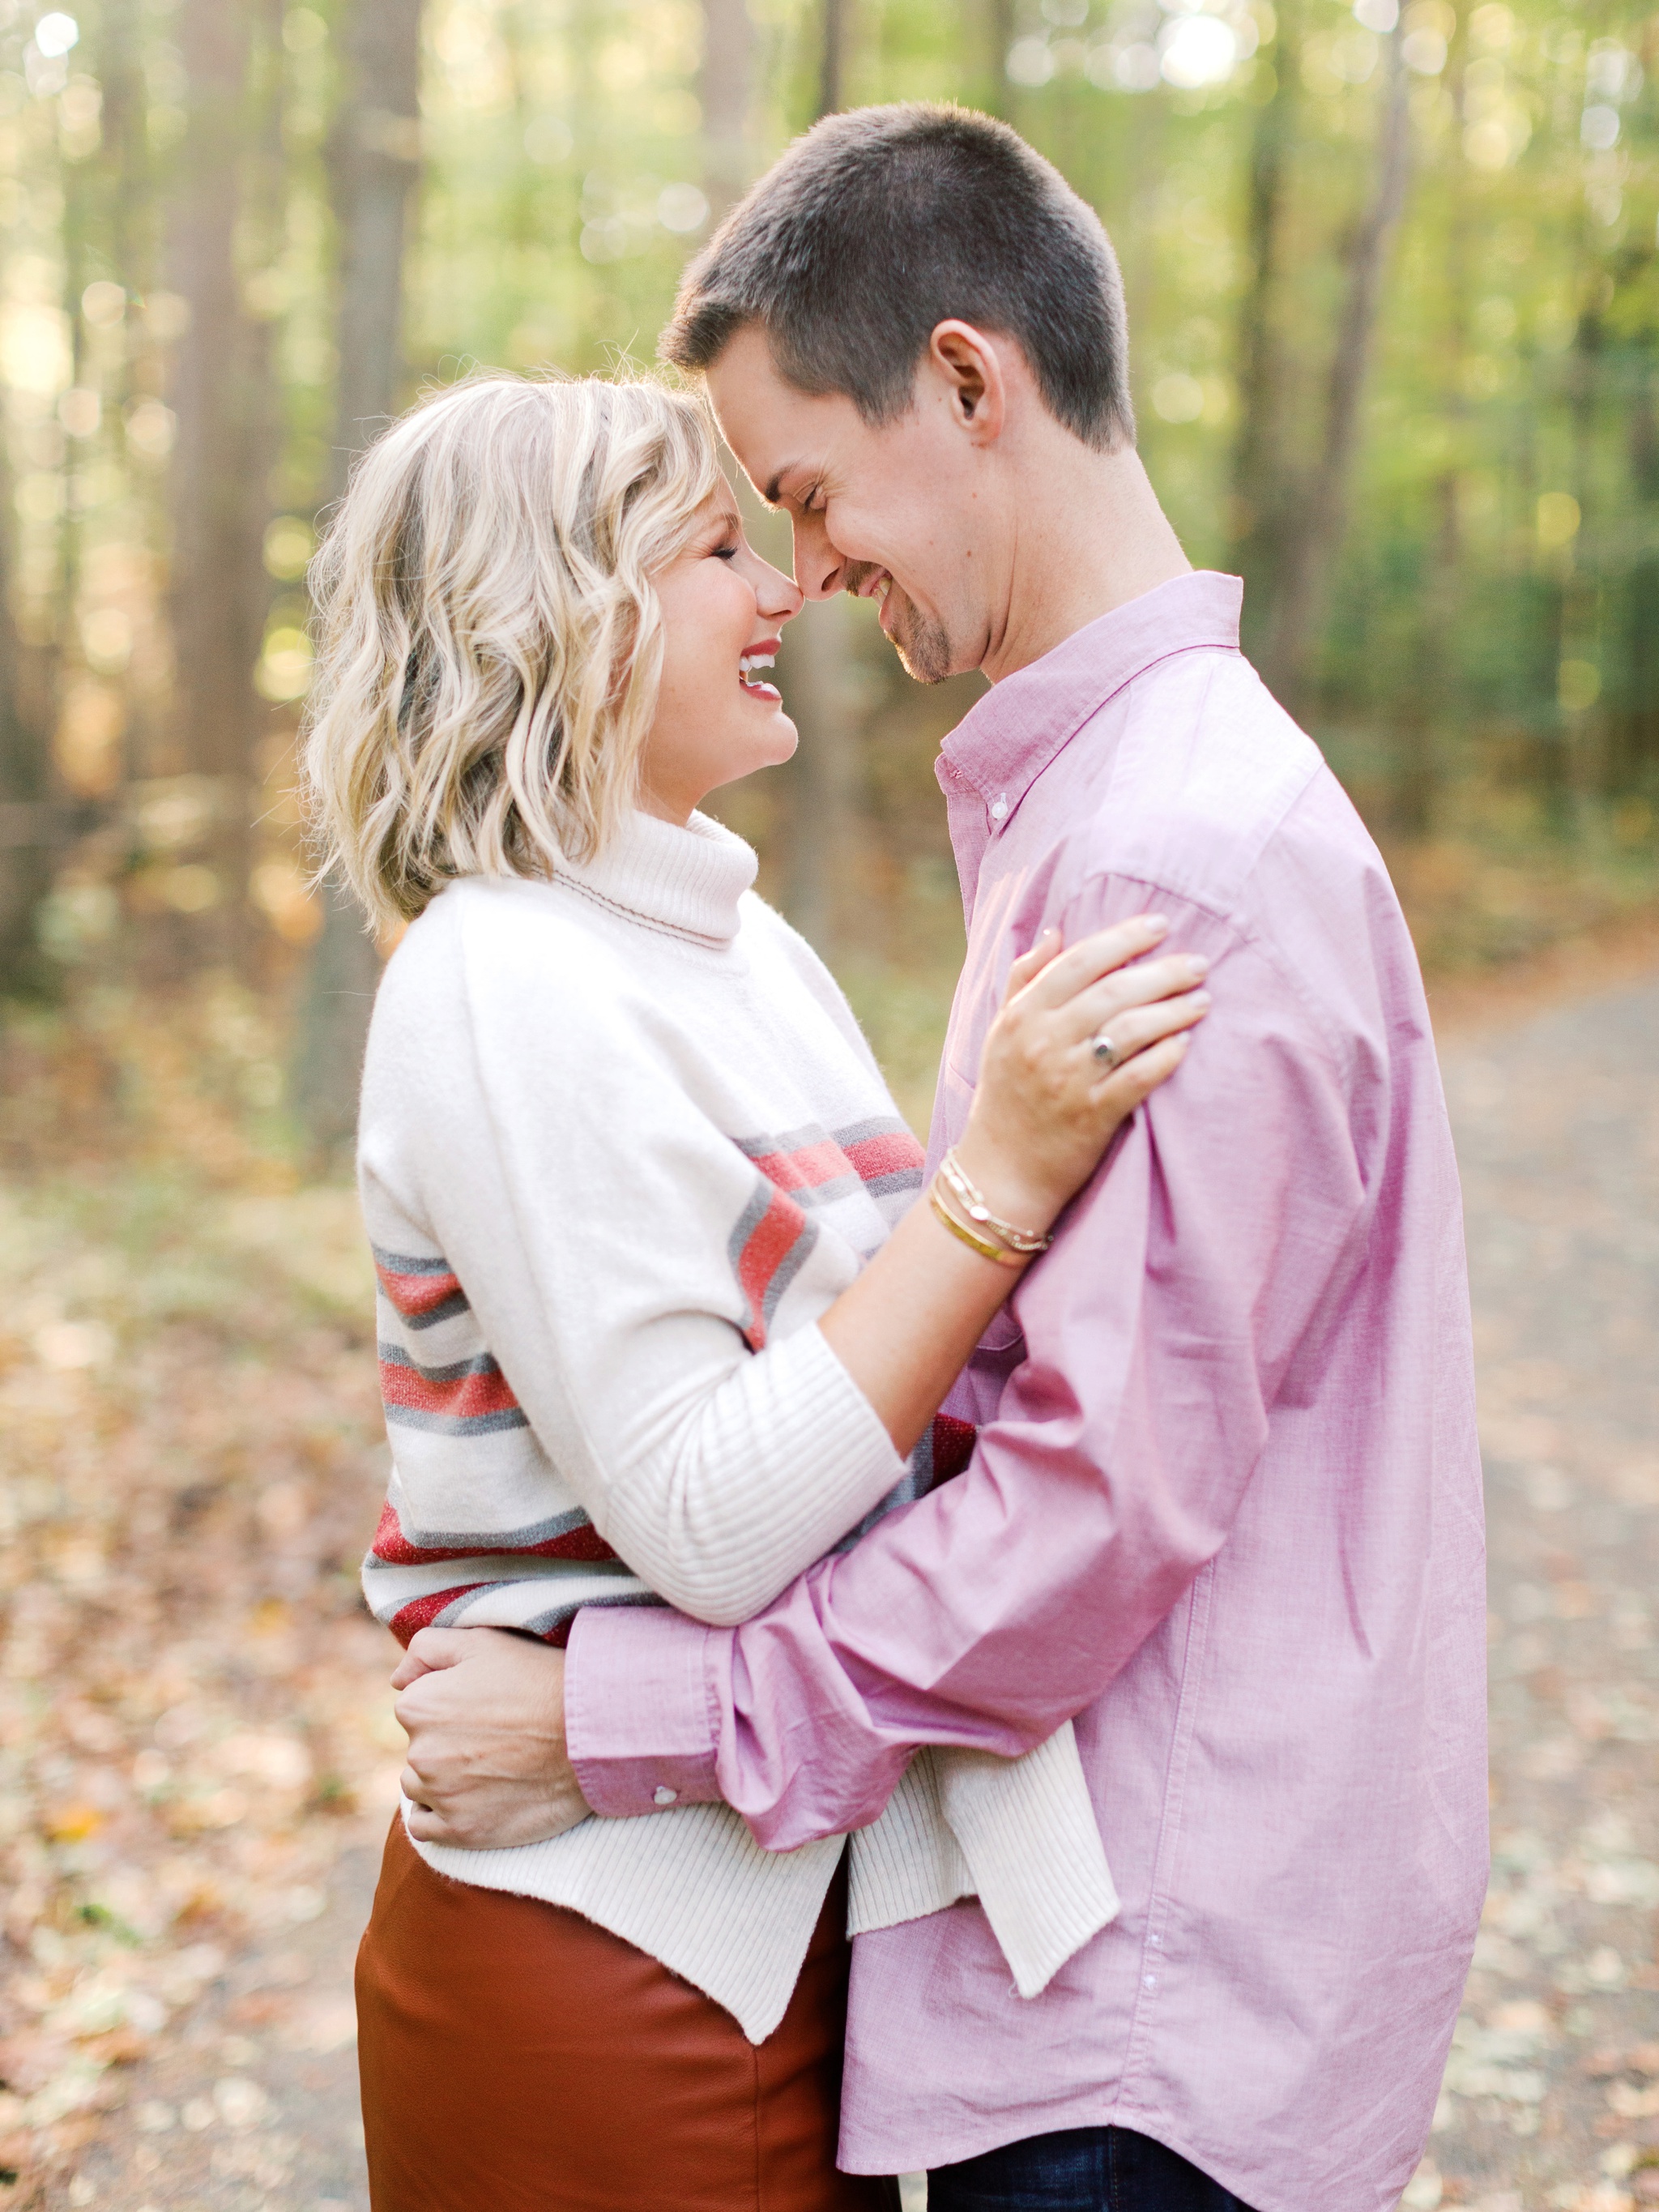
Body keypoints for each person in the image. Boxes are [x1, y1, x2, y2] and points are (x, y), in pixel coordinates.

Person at [394, 106, 1490, 2212]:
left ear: (972, 384)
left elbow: (1079, 1511)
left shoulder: (1170, 854)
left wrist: (615, 1710)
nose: (805, 573)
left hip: (1139, 2009)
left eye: (805, 492)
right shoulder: (1099, 813)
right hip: (1103, 1977)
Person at [301, 368, 1208, 2211]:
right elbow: (713, 1520)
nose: (782, 586)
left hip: (803, 1897)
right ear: (560, 617)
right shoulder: (499, 981)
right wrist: (997, 1177)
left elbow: (900, 1420)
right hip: (610, 1957)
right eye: (716, 547)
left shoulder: (737, 941)